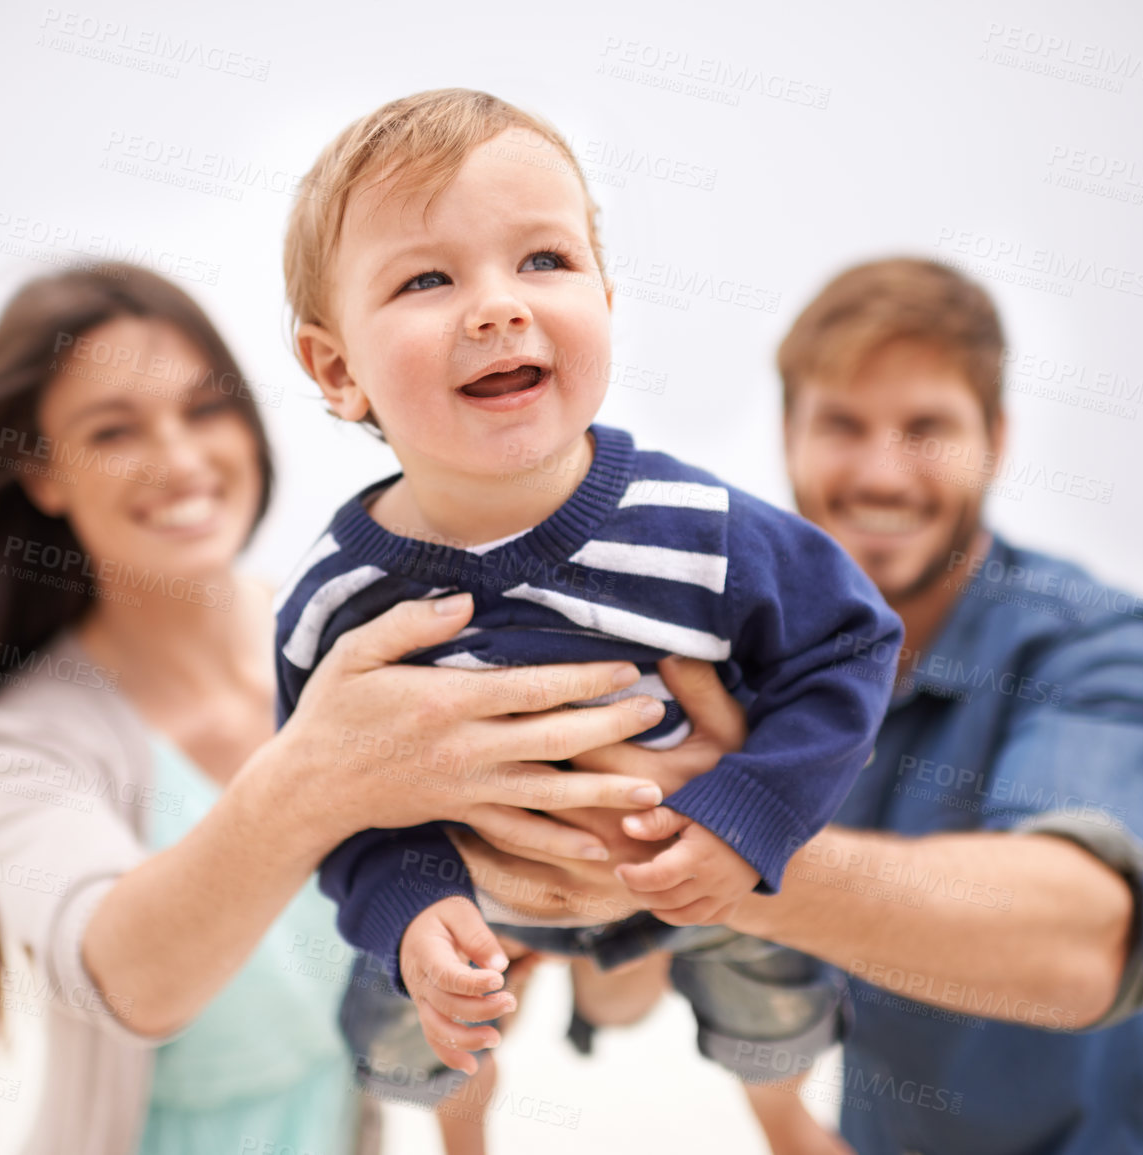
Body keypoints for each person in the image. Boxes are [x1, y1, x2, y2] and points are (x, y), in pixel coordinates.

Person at [0, 263, 679, 1155]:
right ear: (41, 476)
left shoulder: (365, 652)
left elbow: (612, 993)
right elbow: (129, 981)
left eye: (204, 407)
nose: (180, 457)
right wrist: (314, 776)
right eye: (113, 428)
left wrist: (627, 879)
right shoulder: (22, 747)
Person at [454, 257, 1143, 1154]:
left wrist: (724, 835)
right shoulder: (741, 659)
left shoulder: (1106, 643)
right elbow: (623, 995)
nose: (881, 474)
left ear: (997, 440)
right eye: (842, 425)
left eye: (926, 428)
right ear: (787, 435)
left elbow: (1082, 943)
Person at [276, 89, 903, 1155]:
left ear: (607, 301)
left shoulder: (697, 528)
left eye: (544, 262)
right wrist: (411, 908)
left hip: (685, 854)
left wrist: (744, 816)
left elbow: (849, 645)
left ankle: (781, 1118)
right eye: (428, 279)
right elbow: (328, 800)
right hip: (474, 881)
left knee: (774, 988)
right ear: (339, 371)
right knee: (399, 1017)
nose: (497, 307)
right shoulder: (343, 597)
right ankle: (460, 1132)